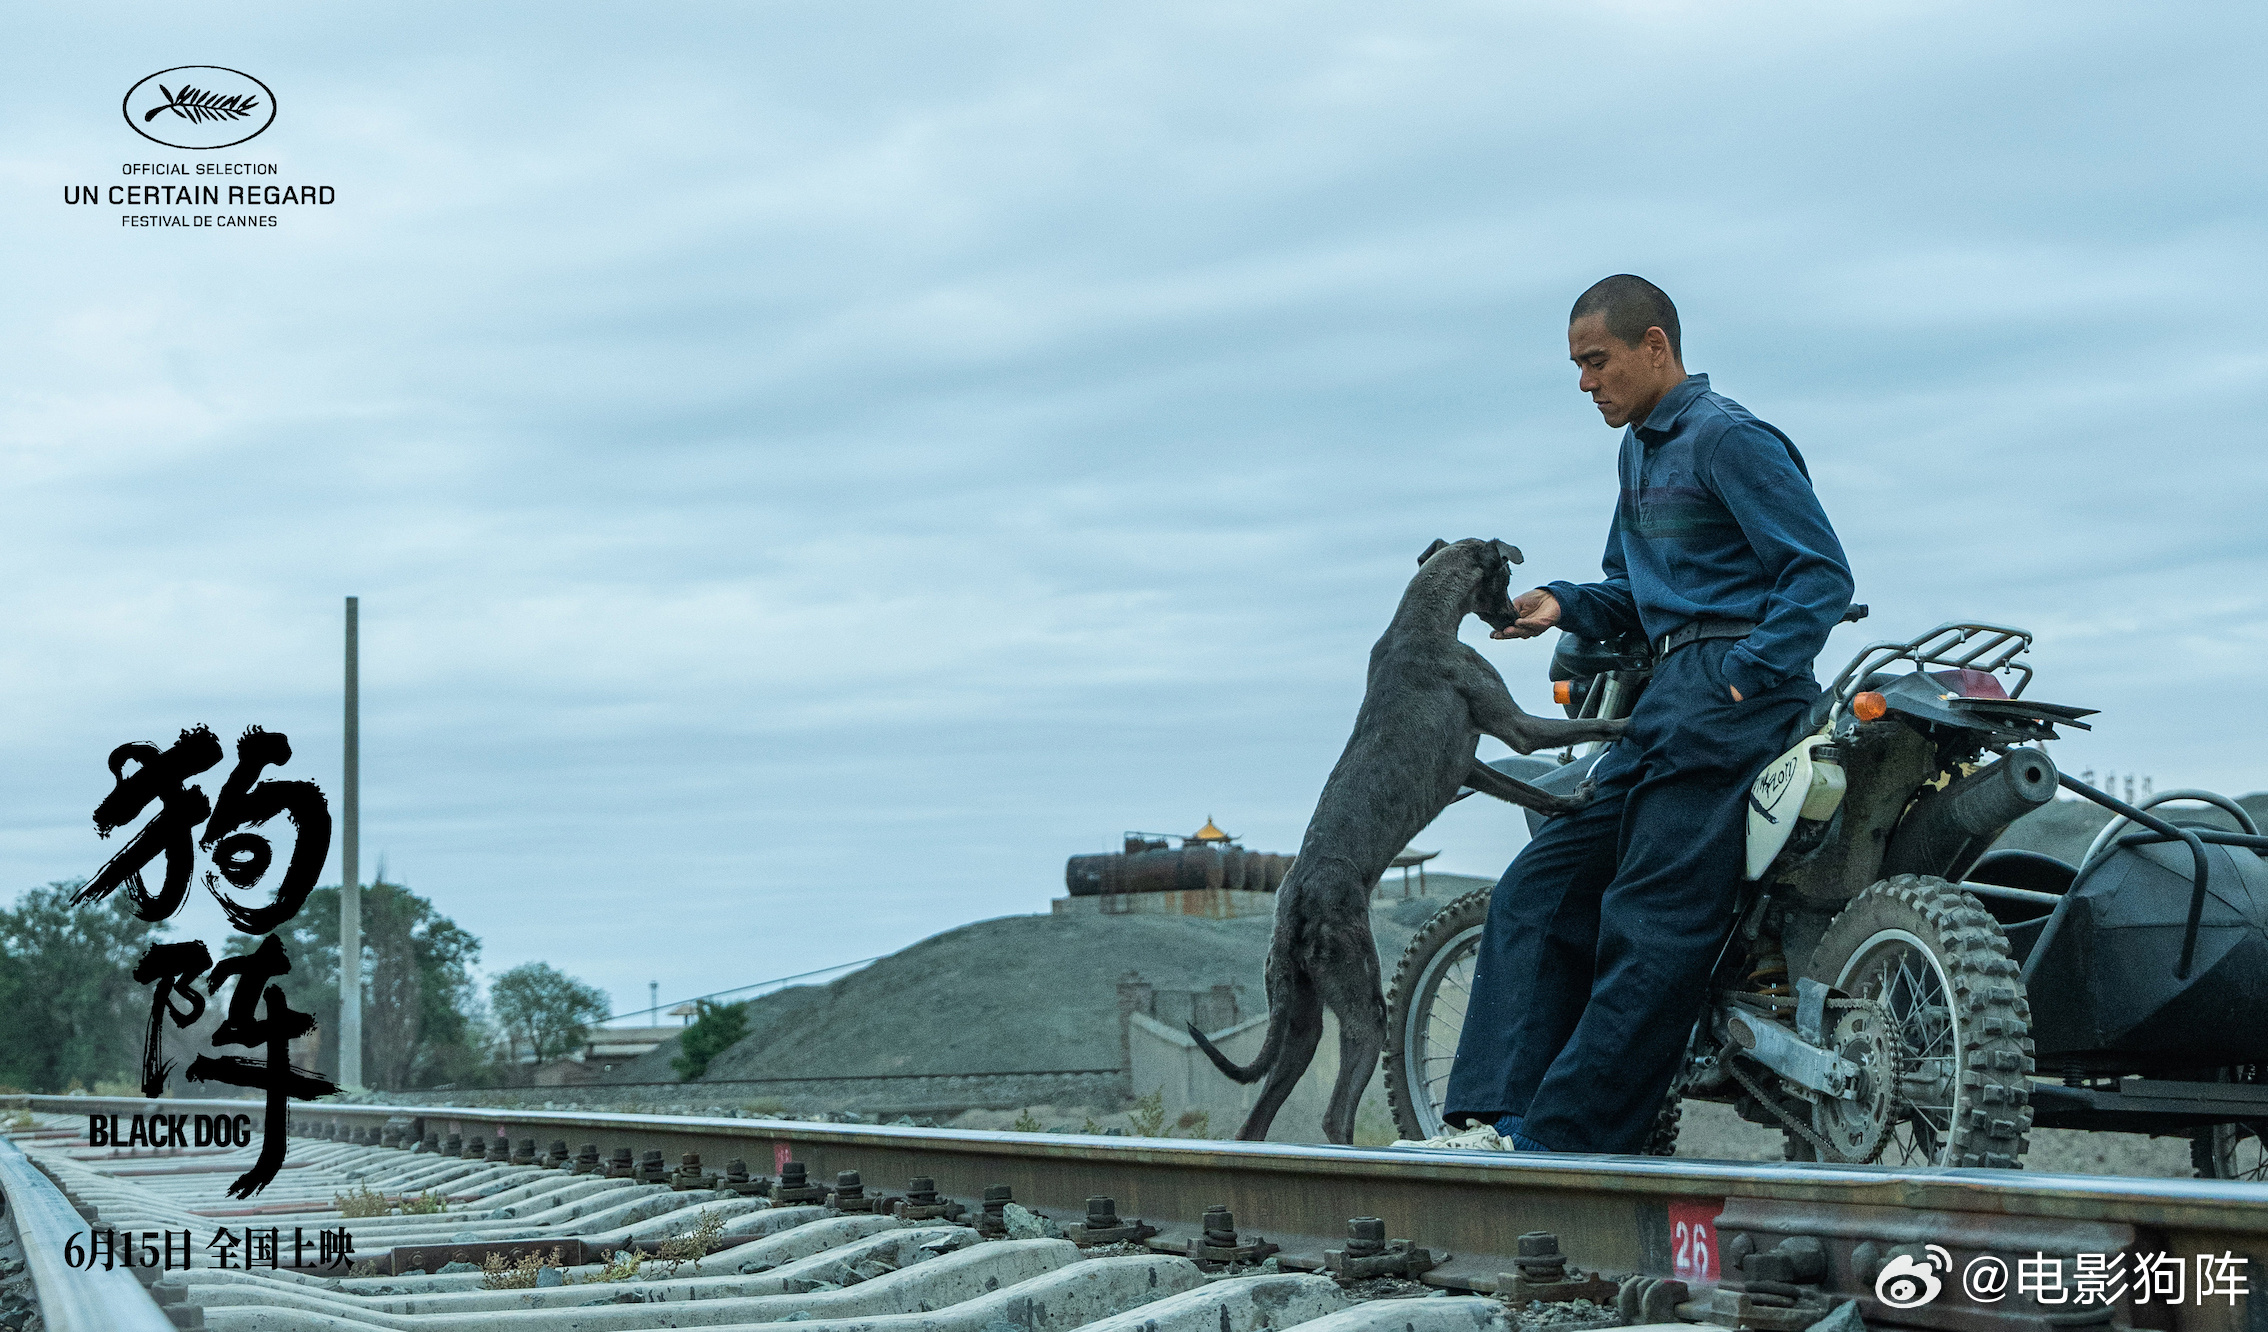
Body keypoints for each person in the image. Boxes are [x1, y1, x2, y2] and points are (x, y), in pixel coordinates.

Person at [1441, 275, 1854, 1154]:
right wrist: (1562, 602)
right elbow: (1630, 592)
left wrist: (1746, 674)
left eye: (1596, 362)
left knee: (1649, 914)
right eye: (1577, 366)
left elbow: (1820, 574)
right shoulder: (1638, 452)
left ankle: (1566, 1143)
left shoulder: (1728, 439)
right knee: (1540, 883)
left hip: (1733, 697)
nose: (1585, 383)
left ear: (1655, 348)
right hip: (1661, 697)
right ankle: (1495, 1121)